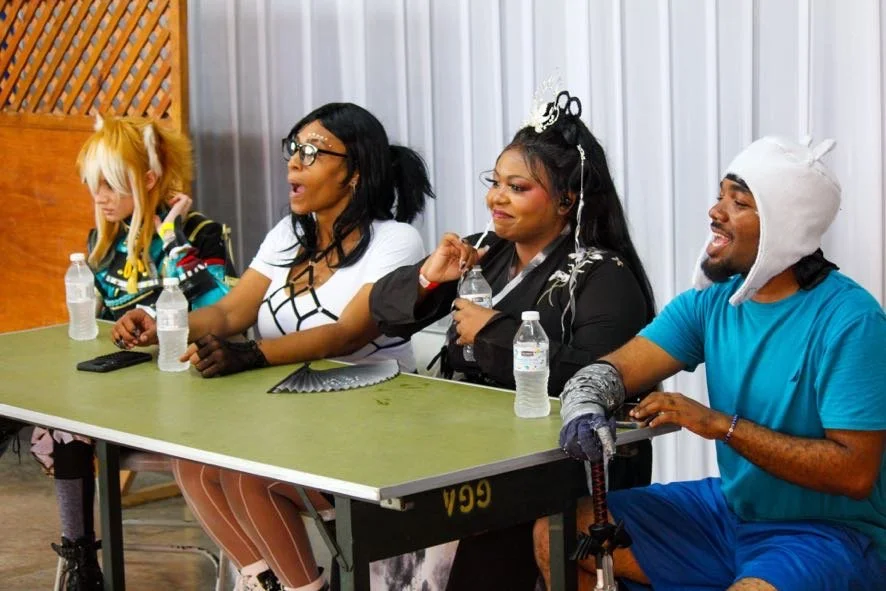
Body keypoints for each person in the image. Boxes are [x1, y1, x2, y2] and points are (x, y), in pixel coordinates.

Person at [535, 136, 886, 590]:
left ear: (786, 227)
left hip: (827, 534)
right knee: (561, 533)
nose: (715, 211)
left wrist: (721, 425)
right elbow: (616, 370)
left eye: (738, 201)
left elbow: (855, 474)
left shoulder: (851, 321)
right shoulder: (711, 303)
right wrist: (586, 401)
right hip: (730, 514)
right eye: (721, 195)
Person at [115, 102, 433, 591]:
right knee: (193, 463)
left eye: (312, 151)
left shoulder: (396, 241)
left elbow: (348, 332)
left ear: (355, 172)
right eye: (293, 149)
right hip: (284, 416)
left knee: (248, 477)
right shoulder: (288, 234)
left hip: (367, 423)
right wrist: (162, 323)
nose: (294, 162)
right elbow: (228, 313)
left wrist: (251, 355)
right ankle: (268, 582)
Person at [369, 89, 656, 591]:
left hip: (549, 469)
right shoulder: (486, 255)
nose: (495, 198)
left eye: (517, 187)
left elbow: (602, 379)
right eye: (494, 183)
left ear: (567, 199)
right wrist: (429, 278)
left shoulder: (603, 275)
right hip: (465, 452)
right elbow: (385, 314)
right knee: (375, 512)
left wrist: (495, 331)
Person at [30, 115, 234, 590]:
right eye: (91, 184)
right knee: (62, 426)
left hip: (188, 394)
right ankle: (81, 556)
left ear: (147, 179)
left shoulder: (200, 232)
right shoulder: (102, 244)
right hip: (123, 395)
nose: (98, 196)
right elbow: (96, 331)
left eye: (110, 184)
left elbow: (218, 311)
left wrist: (171, 237)